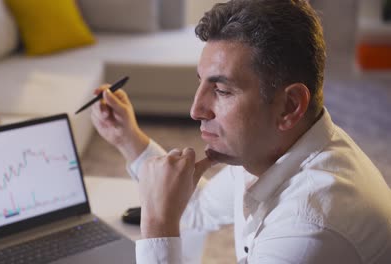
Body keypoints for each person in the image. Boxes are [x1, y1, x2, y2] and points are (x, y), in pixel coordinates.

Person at [90, 0, 391, 263]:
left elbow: (174, 217)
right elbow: (197, 211)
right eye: (201, 83)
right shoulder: (267, 150)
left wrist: (157, 224)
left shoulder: (310, 228)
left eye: (221, 90)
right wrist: (127, 139)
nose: (196, 110)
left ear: (289, 106)